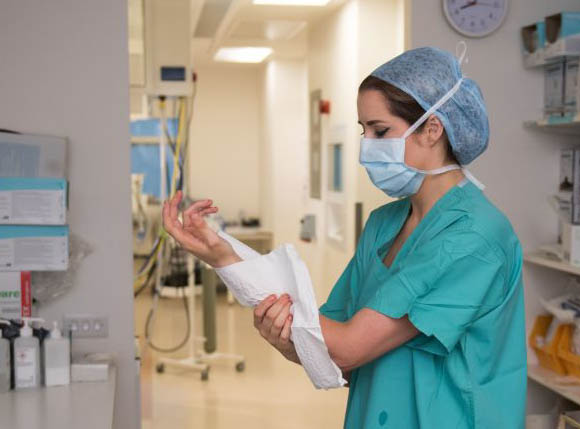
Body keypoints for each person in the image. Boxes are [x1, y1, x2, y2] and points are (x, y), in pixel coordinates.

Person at [162, 46, 526, 428]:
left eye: (380, 130)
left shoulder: (474, 239)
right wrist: (279, 330)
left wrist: (230, 261)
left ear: (432, 130)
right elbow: (330, 350)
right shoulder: (385, 224)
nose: (366, 145)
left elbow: (348, 347)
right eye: (363, 130)